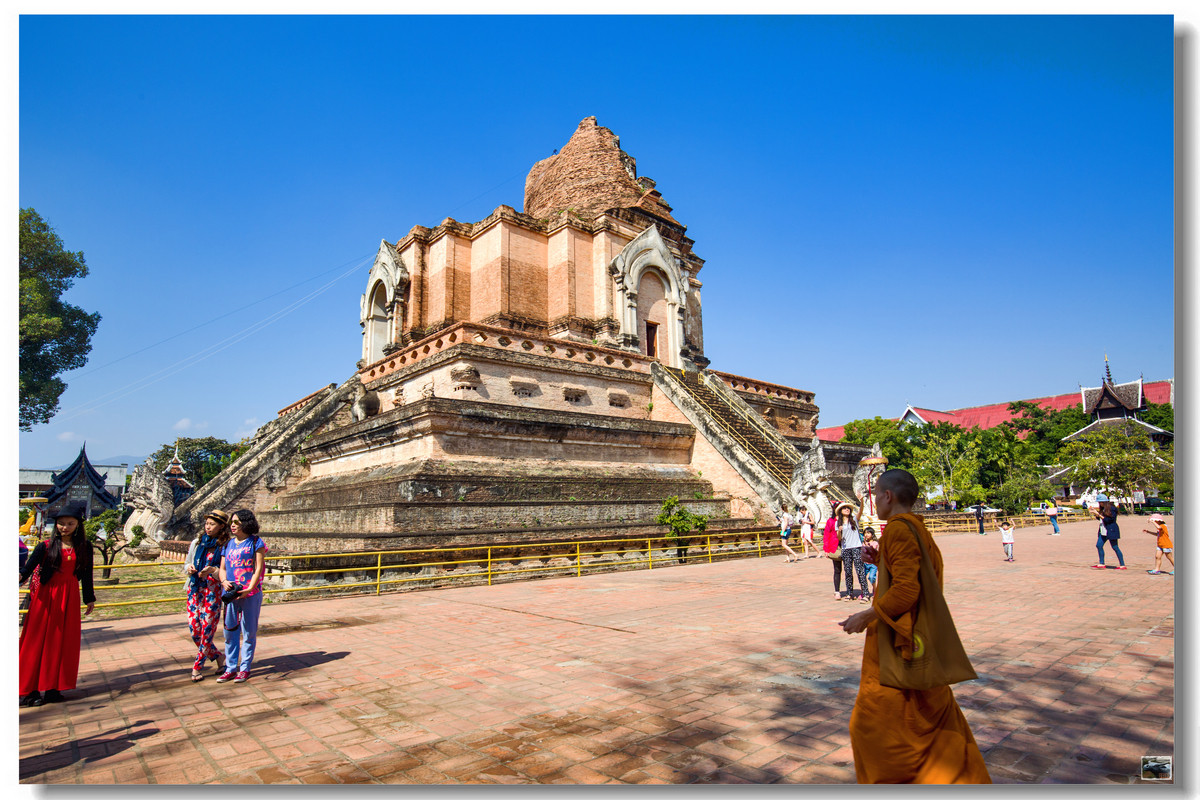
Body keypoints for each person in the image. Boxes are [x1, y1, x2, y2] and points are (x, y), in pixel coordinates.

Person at [839, 469, 991, 784]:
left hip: (899, 642)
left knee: (874, 727)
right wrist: (881, 559)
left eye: (874, 495)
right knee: (928, 717)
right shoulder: (917, 528)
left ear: (887, 496)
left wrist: (865, 616)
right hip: (917, 638)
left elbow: (908, 590)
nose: (873, 502)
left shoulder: (897, 530)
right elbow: (913, 573)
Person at [18, 501, 96, 707]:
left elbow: (87, 575)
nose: (65, 527)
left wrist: (89, 598)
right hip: (45, 597)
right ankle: (29, 690)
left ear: (78, 525)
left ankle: (53, 688)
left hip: (69, 597)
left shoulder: (85, 547)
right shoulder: (45, 546)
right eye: (61, 523)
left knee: (62, 642)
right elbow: (27, 569)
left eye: (70, 523)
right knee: (37, 641)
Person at [217, 509, 268, 683]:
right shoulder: (228, 544)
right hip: (231, 594)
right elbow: (222, 569)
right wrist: (223, 581)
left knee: (249, 631)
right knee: (230, 631)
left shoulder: (256, 542)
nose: (232, 525)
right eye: (232, 522)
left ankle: (245, 667)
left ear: (246, 523)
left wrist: (249, 588)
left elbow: (258, 569)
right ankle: (230, 667)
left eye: (237, 522)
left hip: (250, 593)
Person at [184, 509, 231, 681]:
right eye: (207, 524)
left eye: (212, 524)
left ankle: (197, 666)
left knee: (207, 630)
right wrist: (189, 567)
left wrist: (213, 570)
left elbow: (226, 572)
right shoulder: (197, 543)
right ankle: (218, 657)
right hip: (195, 589)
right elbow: (187, 562)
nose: (208, 527)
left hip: (213, 591)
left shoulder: (225, 546)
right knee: (194, 629)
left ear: (221, 527)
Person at [835, 502, 871, 602]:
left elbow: (860, 511)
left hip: (856, 547)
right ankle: (849, 593)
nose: (847, 509)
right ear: (841, 511)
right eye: (844, 508)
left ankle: (866, 594)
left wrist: (862, 501)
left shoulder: (854, 520)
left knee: (860, 571)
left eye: (848, 508)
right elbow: (839, 538)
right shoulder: (838, 523)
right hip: (846, 549)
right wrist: (839, 531)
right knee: (848, 572)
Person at [1089, 495, 1126, 570]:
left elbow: (1109, 520)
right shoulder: (1103, 509)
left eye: (1100, 502)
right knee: (1099, 545)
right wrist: (1096, 513)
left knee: (1115, 547)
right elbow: (1100, 519)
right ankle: (1101, 563)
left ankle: (1122, 564)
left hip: (1111, 530)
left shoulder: (1112, 509)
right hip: (1103, 530)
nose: (1099, 504)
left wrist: (1098, 514)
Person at [823, 513, 844, 599]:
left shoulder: (846, 520)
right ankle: (837, 591)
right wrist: (826, 549)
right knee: (837, 569)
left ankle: (850, 591)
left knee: (848, 569)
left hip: (847, 545)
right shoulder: (831, 521)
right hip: (835, 546)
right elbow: (826, 534)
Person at [861, 528, 879, 595]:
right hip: (865, 563)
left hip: (873, 564)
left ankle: (875, 589)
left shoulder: (875, 543)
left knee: (871, 577)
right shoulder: (863, 543)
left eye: (868, 533)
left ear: (872, 534)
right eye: (865, 533)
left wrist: (866, 544)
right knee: (862, 577)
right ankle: (864, 591)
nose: (866, 535)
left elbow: (872, 550)